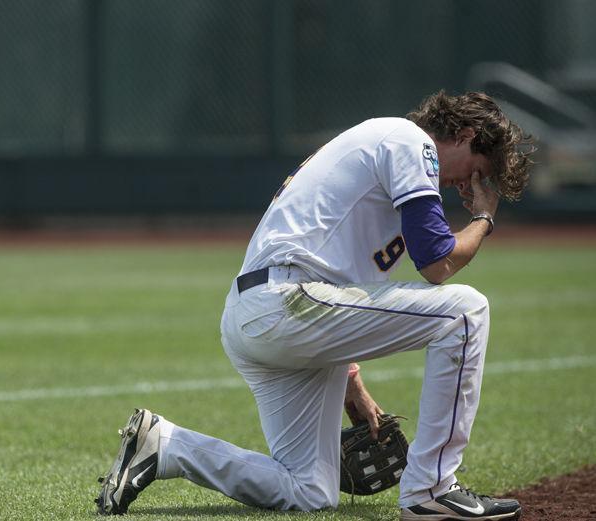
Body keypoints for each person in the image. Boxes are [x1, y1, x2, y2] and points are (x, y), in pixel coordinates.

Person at [95, 91, 534, 520]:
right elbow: (437, 263)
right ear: (464, 132)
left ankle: (167, 446)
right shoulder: (408, 140)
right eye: (476, 169)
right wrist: (484, 218)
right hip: (288, 300)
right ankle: (433, 490)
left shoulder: (384, 159)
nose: (467, 184)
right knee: (464, 311)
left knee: (309, 490)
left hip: (261, 314)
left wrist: (352, 380)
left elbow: (345, 283)